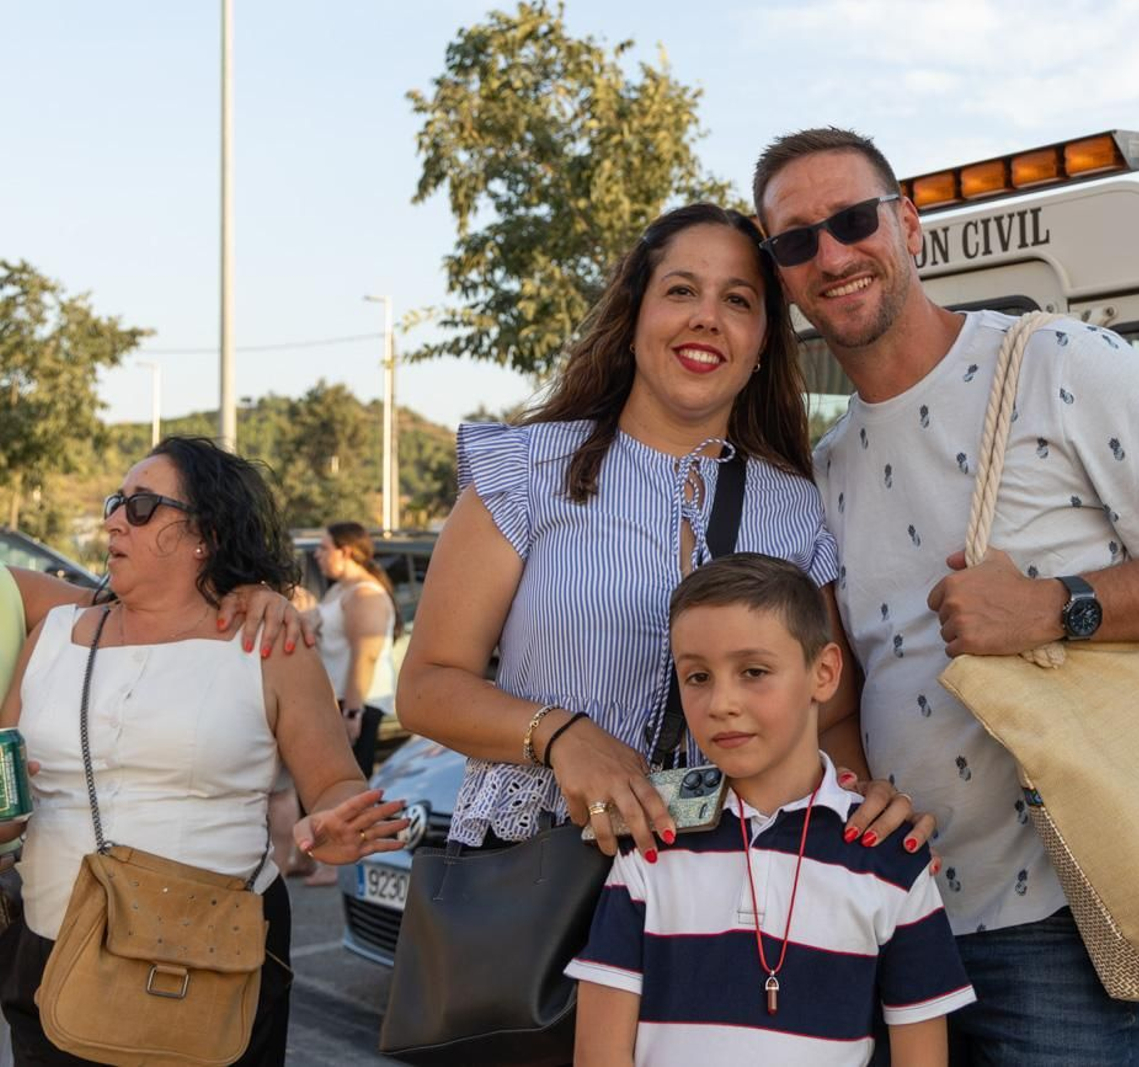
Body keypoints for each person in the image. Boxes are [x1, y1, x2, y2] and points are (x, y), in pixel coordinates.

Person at [752, 128, 1139, 1065]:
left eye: (851, 220)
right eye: (797, 241)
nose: (832, 255)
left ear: (908, 226)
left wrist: (1054, 605)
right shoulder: (825, 467)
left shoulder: (1059, 364)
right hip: (898, 907)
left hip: (1059, 910)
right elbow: (847, 683)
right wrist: (857, 782)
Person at [398, 202, 921, 865]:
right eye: (680, 290)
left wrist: (860, 800)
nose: (707, 315)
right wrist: (560, 735)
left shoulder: (797, 504)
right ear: (635, 314)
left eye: (738, 299)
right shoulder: (527, 470)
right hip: (544, 877)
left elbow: (833, 714)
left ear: (763, 339)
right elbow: (426, 687)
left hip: (731, 887)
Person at [0, 436, 408, 1065]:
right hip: (49, 951)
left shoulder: (270, 643)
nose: (113, 519)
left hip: (206, 962)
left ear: (206, 533)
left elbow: (334, 784)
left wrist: (338, 820)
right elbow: (6, 789)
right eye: (116, 502)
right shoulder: (53, 634)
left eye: (140, 506)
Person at [566, 553, 973, 1067]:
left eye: (753, 671)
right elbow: (598, 1056)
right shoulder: (652, 841)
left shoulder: (891, 858)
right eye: (697, 677)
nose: (721, 703)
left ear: (823, 673)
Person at [310, 522, 400, 780]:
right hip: (335, 700)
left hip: (356, 703)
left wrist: (352, 712)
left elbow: (365, 656)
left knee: (348, 786)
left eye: (324, 548)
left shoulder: (365, 595)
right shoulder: (340, 589)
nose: (318, 554)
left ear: (346, 552)